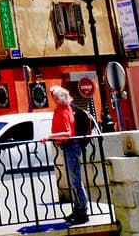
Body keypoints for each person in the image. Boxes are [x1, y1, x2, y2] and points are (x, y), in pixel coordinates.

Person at [45, 86, 88, 225]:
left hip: (70, 146)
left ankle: (82, 212)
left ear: (59, 97)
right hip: (68, 146)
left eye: (53, 96)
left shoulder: (64, 111)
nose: (52, 98)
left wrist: (49, 136)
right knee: (73, 180)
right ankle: (78, 210)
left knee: (75, 180)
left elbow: (67, 133)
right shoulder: (62, 109)